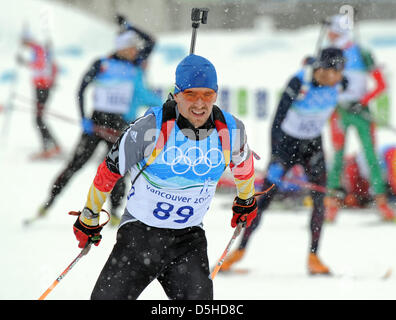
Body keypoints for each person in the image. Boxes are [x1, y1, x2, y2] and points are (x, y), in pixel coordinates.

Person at [70, 54, 258, 300]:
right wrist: (88, 217)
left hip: (187, 242)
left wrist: (246, 201)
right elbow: (109, 171)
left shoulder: (231, 130)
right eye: (191, 94)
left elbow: (243, 166)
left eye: (208, 95)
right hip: (139, 238)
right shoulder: (148, 128)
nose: (200, 104)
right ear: (176, 93)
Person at [220, 48, 347, 275]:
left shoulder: (340, 82)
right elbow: (276, 122)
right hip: (287, 144)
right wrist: (276, 158)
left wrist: (356, 106)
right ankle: (239, 251)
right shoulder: (299, 83)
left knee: (319, 200)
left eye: (338, 73)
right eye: (329, 73)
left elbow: (350, 92)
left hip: (313, 145)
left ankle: (314, 257)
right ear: (319, 69)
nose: (334, 78)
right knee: (265, 199)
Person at [36, 19, 162, 226]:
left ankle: (114, 212)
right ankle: (48, 203)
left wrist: (131, 26)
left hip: (119, 124)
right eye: (130, 48)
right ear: (121, 47)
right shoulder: (102, 63)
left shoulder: (135, 64)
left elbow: (151, 42)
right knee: (75, 164)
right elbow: (80, 89)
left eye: (134, 48)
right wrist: (83, 118)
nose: (134, 51)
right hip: (96, 122)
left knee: (119, 169)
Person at [324, 14, 395, 222]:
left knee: (371, 157)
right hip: (339, 112)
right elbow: (320, 84)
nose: (329, 34)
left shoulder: (362, 52)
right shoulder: (328, 53)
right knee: (337, 157)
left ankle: (382, 203)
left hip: (361, 113)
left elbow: (381, 84)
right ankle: (331, 205)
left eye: (332, 30)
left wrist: (362, 100)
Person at [17, 32, 60, 159]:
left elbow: (40, 65)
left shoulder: (39, 49)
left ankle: (50, 147)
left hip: (43, 87)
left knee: (38, 118)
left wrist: (25, 62)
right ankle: (53, 145)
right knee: (39, 118)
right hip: (41, 87)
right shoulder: (37, 49)